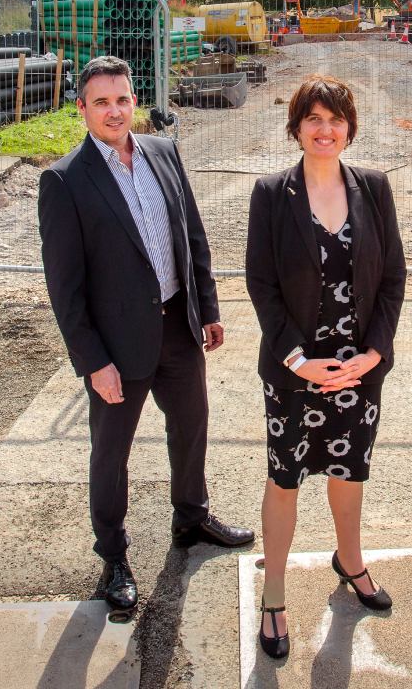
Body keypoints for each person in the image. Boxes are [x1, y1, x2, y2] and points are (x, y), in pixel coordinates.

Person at [38, 55, 253, 614]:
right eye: (102, 102)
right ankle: (113, 556)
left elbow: (192, 234)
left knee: (192, 425)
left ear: (135, 101)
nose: (115, 111)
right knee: (111, 454)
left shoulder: (162, 152)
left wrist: (207, 306)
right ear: (81, 108)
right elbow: (66, 289)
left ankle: (191, 518)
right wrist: (92, 361)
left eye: (123, 99)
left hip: (178, 326)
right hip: (116, 348)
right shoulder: (64, 181)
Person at [245, 75, 406, 659]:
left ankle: (352, 562)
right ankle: (276, 594)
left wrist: (374, 353)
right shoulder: (270, 193)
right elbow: (261, 285)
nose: (325, 129)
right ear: (296, 127)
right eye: (313, 119)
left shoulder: (375, 188)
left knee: (349, 473)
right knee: (284, 479)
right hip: (295, 369)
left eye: (335, 119)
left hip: (357, 369)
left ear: (349, 128)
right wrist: (296, 359)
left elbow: (392, 279)